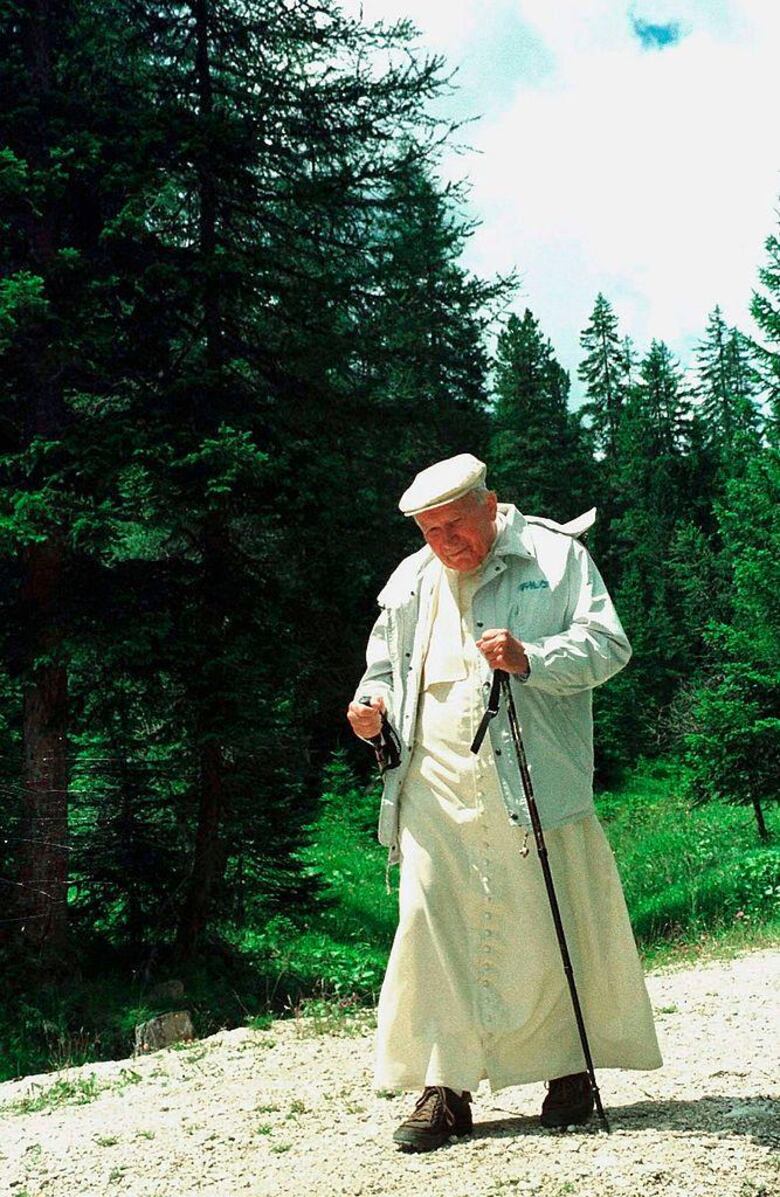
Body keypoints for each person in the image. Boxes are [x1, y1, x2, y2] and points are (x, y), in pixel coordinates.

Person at [346, 453, 661, 1152]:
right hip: (434, 784)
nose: (444, 544)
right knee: (431, 924)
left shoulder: (557, 557)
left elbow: (611, 646)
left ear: (491, 506)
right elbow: (382, 670)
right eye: (430, 531)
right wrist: (373, 710)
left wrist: (532, 658)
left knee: (546, 922)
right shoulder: (412, 579)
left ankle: (568, 1069)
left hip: (532, 774)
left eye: (454, 527)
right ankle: (445, 1085)